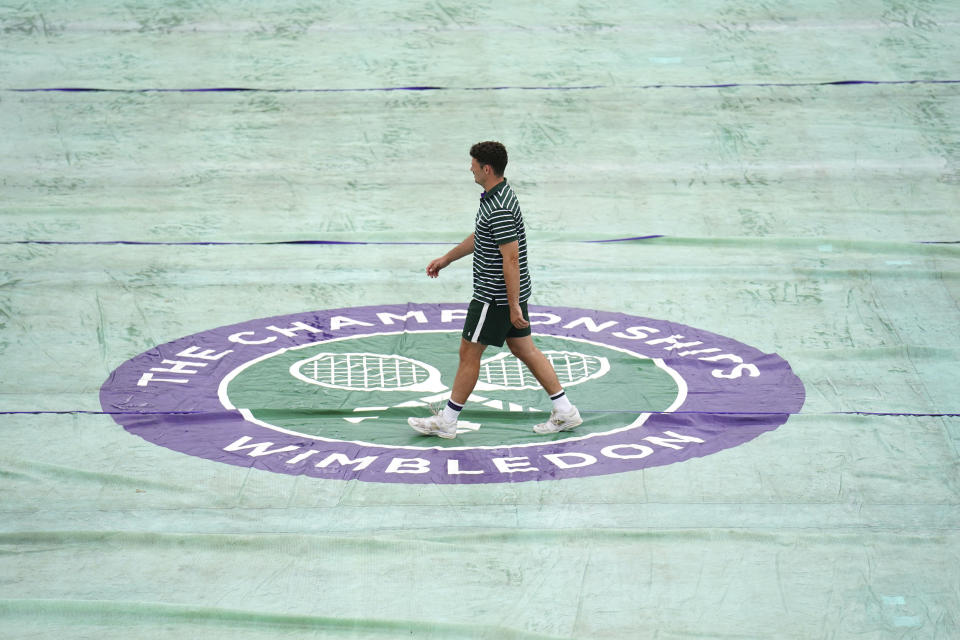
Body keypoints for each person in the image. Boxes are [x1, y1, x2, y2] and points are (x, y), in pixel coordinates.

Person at [408, 141, 582, 439]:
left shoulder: (499, 207)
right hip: (508, 294)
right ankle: (565, 411)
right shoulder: (494, 196)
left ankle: (447, 421)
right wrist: (447, 259)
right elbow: (481, 236)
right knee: (523, 348)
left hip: (494, 296)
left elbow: (510, 258)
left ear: (486, 168)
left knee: (469, 353)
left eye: (473, 163)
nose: (470, 168)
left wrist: (512, 305)